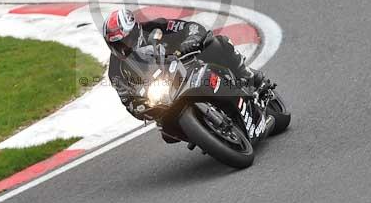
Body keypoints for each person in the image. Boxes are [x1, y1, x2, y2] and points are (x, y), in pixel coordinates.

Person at [103, 8, 268, 124]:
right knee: (167, 133)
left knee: (217, 43)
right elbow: (128, 101)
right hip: (163, 97)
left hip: (187, 65)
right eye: (118, 45)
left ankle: (248, 77)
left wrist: (190, 41)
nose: (124, 46)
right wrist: (140, 107)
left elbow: (191, 27)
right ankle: (205, 131)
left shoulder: (155, 27)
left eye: (126, 40)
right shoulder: (115, 71)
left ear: (136, 30)